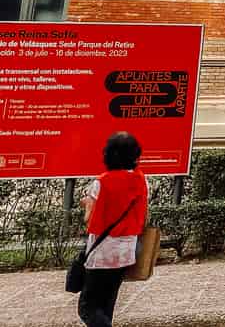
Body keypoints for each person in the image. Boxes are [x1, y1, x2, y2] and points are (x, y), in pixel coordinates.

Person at [78, 132, 148, 327]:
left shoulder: (102, 182)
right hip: (126, 251)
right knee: (107, 305)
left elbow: (88, 218)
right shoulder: (140, 179)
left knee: (87, 308)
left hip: (102, 253)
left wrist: (87, 204)